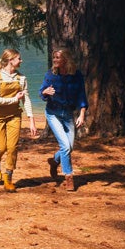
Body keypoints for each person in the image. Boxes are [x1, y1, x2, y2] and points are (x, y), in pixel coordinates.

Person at [0, 48, 38, 192]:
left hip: (14, 116)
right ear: (11, 60)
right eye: (19, 58)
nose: (21, 61)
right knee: (1, 147)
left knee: (12, 147)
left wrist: (32, 120)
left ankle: (8, 178)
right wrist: (14, 99)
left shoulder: (21, 78)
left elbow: (26, 100)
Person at [39, 48, 88, 191]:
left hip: (68, 114)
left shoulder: (76, 75)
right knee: (65, 147)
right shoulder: (51, 74)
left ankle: (55, 161)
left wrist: (82, 114)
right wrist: (45, 92)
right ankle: (69, 177)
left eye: (57, 57)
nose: (54, 60)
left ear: (66, 59)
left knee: (69, 147)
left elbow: (81, 95)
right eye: (54, 57)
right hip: (52, 113)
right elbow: (41, 92)